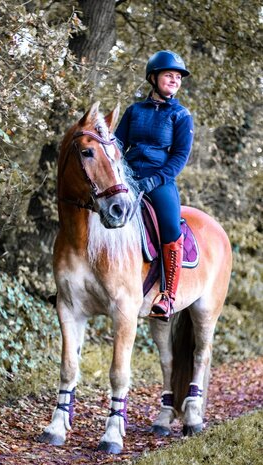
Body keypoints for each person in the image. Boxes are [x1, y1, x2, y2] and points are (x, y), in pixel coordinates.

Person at [115, 50, 194, 321]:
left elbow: (179, 157)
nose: (174, 80)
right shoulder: (133, 111)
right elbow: (118, 144)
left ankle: (168, 296)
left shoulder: (181, 116)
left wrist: (155, 179)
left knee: (171, 227)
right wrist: (120, 173)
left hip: (160, 180)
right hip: (128, 177)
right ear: (153, 77)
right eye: (168, 75)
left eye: (177, 77)